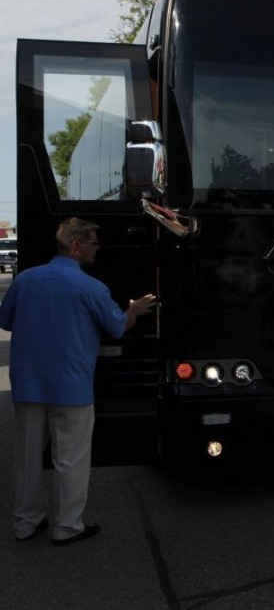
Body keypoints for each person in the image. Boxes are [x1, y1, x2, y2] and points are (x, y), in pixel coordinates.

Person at [0, 218, 155, 544]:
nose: (97, 248)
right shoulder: (90, 287)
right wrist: (136, 310)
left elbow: (6, 320)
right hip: (70, 386)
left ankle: (26, 522)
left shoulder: (25, 280)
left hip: (27, 384)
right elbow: (117, 326)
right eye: (93, 243)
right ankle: (67, 526)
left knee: (27, 457)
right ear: (75, 246)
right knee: (69, 459)